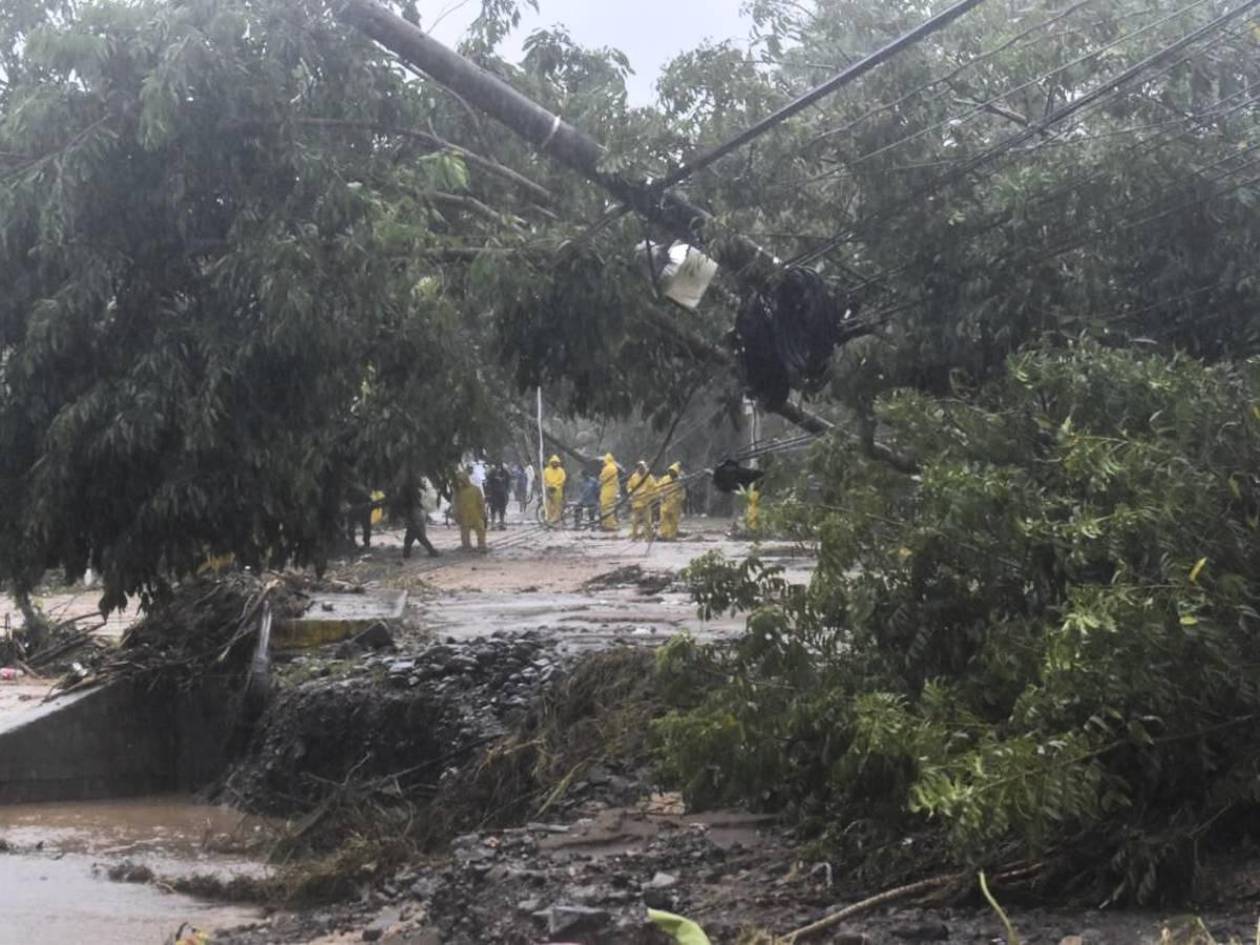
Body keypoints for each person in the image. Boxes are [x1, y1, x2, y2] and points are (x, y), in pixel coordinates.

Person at [402, 477, 440, 559]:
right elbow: (419, 503)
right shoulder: (415, 492)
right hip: (415, 514)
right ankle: (432, 552)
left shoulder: (409, 492)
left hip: (413, 515)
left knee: (412, 536)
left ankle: (407, 553)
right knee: (418, 536)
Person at [452, 469, 487, 551]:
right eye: (458, 481)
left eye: (461, 481)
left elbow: (481, 502)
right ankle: (466, 546)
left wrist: (483, 512)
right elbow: (455, 504)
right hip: (464, 515)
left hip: (476, 514)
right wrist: (456, 514)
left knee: (480, 531)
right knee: (464, 532)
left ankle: (481, 545)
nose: (460, 483)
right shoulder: (457, 492)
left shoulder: (476, 489)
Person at [626, 460, 656, 540]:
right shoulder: (634, 476)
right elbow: (629, 486)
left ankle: (648, 538)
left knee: (647, 522)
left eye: (642, 467)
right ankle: (634, 537)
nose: (640, 469)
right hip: (636, 503)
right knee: (635, 522)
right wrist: (630, 492)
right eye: (639, 467)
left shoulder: (649, 477)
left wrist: (647, 494)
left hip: (646, 502)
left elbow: (654, 488)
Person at [657, 462, 685, 541]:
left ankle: (672, 536)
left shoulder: (680, 481)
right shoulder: (664, 479)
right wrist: (661, 494)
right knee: (663, 520)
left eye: (674, 472)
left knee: (674, 522)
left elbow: (682, 493)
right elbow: (658, 488)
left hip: (675, 505)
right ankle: (664, 535)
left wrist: (678, 498)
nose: (672, 474)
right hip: (665, 503)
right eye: (671, 472)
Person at [486, 461, 512, 529]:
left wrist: (507, 489)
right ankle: (493, 524)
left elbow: (508, 480)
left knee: (502, 509)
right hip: (494, 493)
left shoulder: (505, 472)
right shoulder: (492, 472)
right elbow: (488, 481)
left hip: (502, 493)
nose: (498, 468)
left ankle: (501, 523)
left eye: (499, 466)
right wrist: (489, 492)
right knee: (493, 509)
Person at [598, 452, 620, 531]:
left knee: (607, 507)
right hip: (611, 490)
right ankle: (607, 524)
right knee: (608, 507)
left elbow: (601, 478)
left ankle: (610, 525)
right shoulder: (614, 467)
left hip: (608, 490)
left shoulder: (608, 468)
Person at [543, 455, 566, 525]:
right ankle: (549, 520)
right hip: (549, 490)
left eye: (556, 463)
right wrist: (548, 486)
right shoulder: (546, 470)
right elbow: (544, 480)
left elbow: (562, 480)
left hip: (557, 491)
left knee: (557, 506)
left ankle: (556, 520)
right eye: (553, 462)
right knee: (549, 506)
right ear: (551, 462)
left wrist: (555, 486)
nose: (555, 464)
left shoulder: (561, 471)